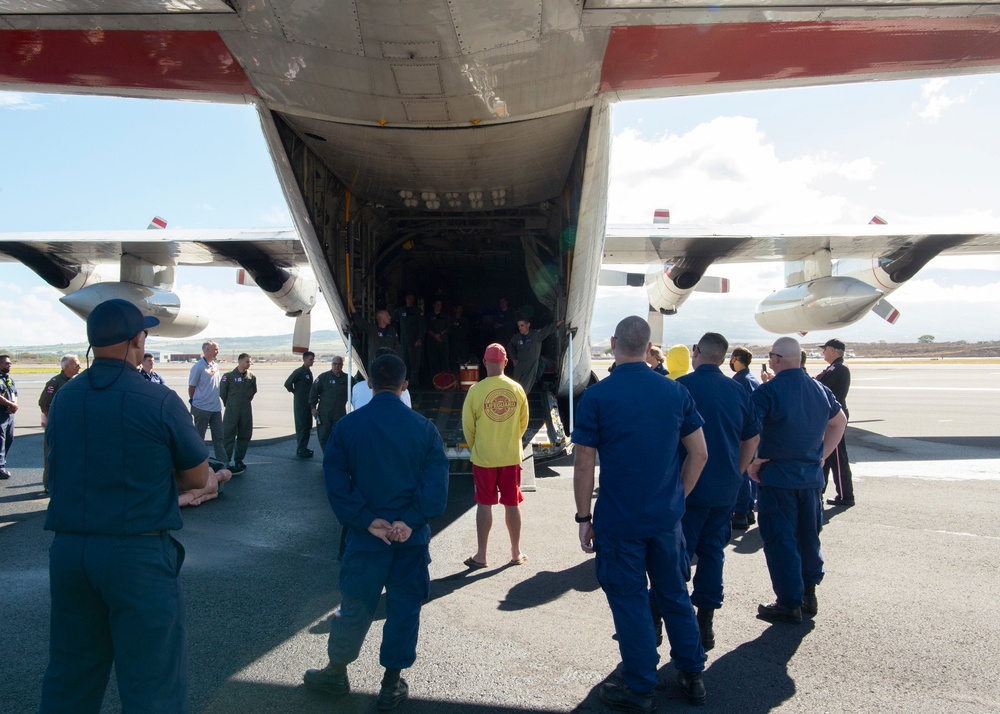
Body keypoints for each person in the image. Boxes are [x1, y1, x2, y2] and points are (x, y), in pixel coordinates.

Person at [39, 298, 228, 713]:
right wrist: (199, 482)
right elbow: (199, 477)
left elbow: (53, 477)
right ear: (135, 341)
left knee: (70, 677)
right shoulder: (158, 400)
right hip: (136, 555)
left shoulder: (65, 400)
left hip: (70, 553)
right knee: (152, 685)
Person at [572, 316, 709, 711]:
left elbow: (584, 465)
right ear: (649, 347)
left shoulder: (598, 397)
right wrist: (676, 498)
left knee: (630, 601)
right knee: (673, 593)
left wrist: (584, 519)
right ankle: (692, 672)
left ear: (614, 343)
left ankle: (640, 685)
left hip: (619, 521)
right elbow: (699, 454)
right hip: (665, 520)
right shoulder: (675, 392)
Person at [303, 354, 449, 710]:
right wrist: (409, 521)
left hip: (364, 540)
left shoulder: (348, 428)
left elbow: (335, 483)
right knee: (404, 610)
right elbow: (436, 490)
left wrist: (366, 519)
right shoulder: (424, 429)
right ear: (404, 385)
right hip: (409, 542)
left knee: (352, 607)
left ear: (369, 384)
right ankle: (391, 684)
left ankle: (336, 672)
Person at [748, 336, 847, 624]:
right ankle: (808, 594)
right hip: (811, 478)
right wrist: (821, 456)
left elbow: (750, 431)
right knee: (808, 536)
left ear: (776, 359)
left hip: (779, 477)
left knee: (781, 539)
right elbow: (839, 422)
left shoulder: (768, 391)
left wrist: (752, 462)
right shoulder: (819, 389)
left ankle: (789, 602)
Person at [676, 333, 760, 651]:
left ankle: (657, 619)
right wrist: (737, 470)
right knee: (713, 553)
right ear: (724, 359)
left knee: (675, 556)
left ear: (697, 352)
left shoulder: (681, 386)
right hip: (724, 489)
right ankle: (705, 625)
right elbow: (752, 439)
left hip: (687, 487)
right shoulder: (738, 391)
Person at [461, 343, 530, 568]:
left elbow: (468, 426)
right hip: (511, 456)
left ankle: (481, 555)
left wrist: (477, 446)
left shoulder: (475, 390)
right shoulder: (517, 389)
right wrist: (510, 441)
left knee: (484, 504)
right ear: (506, 363)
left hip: (484, 458)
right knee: (512, 503)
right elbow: (523, 424)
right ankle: (516, 552)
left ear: (484, 362)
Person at [816, 338, 855, 506]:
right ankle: (819, 490)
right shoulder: (835, 368)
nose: (823, 353)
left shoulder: (838, 369)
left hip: (834, 417)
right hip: (830, 416)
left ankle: (846, 495)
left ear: (833, 350)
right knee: (827, 454)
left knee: (838, 457)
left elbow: (819, 385)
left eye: (825, 349)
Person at [38, 354, 82, 494]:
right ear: (66, 367)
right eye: (76, 364)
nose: (79, 366)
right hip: (57, 427)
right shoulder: (55, 382)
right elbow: (44, 405)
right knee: (51, 457)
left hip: (71, 427)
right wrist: (54, 422)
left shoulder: (76, 381)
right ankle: (48, 485)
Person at [730, 346, 762, 530]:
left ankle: (741, 511)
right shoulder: (752, 380)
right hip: (754, 432)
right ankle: (748, 507)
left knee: (741, 471)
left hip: (742, 433)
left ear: (735, 358)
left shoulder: (740, 382)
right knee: (749, 471)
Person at [188, 340, 227, 462]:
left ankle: (223, 462)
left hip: (215, 408)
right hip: (202, 408)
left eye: (217, 349)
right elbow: (192, 387)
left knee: (219, 437)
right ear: (206, 350)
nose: (217, 351)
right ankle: (197, 462)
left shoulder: (215, 365)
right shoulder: (198, 367)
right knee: (199, 437)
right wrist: (194, 403)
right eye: (215, 349)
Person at [220, 352, 257, 475]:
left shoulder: (251, 377)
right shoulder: (228, 376)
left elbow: (253, 392)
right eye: (247, 361)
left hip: (246, 410)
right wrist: (230, 404)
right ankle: (225, 462)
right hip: (232, 411)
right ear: (240, 361)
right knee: (228, 436)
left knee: (245, 435)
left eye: (250, 361)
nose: (249, 364)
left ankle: (239, 460)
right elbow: (222, 393)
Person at [507, 316, 562, 394]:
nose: (520, 328)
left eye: (522, 325)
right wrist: (513, 358)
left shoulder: (536, 335)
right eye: (519, 326)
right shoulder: (517, 337)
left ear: (528, 325)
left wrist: (559, 322)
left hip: (531, 366)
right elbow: (510, 346)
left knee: (524, 389)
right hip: (519, 365)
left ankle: (522, 402)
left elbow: (547, 329)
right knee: (515, 386)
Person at [310, 355, 349, 452]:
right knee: (324, 436)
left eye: (339, 364)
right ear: (332, 364)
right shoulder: (323, 377)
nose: (337, 366)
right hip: (324, 413)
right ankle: (326, 457)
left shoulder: (347, 379)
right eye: (335, 364)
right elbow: (313, 393)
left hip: (339, 413)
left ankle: (336, 459)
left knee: (338, 436)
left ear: (342, 365)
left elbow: (356, 392)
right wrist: (313, 408)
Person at [285, 351, 316, 457]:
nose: (312, 361)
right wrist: (295, 392)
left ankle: (304, 447)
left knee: (307, 426)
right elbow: (288, 383)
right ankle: (301, 449)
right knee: (302, 426)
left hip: (308, 403)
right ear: (305, 359)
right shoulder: (299, 371)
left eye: (313, 359)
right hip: (301, 403)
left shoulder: (308, 372)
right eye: (310, 359)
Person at [395, 293, 425, 386]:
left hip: (414, 340)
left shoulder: (417, 311)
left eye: (411, 298)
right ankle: (404, 381)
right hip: (403, 341)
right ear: (405, 299)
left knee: (415, 362)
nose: (409, 300)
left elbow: (422, 326)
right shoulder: (400, 310)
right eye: (408, 298)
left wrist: (419, 338)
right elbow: (392, 320)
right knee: (404, 360)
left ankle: (414, 383)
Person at [0, 354, 18, 480]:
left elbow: (14, 393)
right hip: (0, 414)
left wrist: (15, 404)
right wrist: (10, 404)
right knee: (0, 441)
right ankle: (0, 468)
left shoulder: (9, 379)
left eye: (10, 363)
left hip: (9, 414)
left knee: (9, 439)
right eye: (6, 363)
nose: (9, 365)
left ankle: (2, 463)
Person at [425, 299, 450, 376]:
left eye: (440, 304)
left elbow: (448, 327)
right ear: (434, 305)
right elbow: (426, 328)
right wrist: (434, 335)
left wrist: (440, 334)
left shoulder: (445, 316)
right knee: (433, 362)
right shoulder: (429, 316)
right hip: (432, 342)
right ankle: (434, 380)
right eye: (437, 304)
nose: (438, 306)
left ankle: (446, 380)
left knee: (444, 361)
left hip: (443, 340)